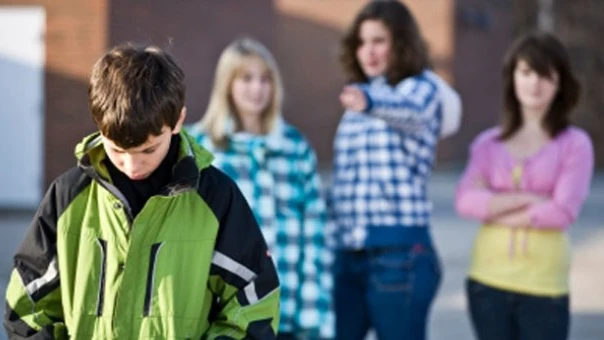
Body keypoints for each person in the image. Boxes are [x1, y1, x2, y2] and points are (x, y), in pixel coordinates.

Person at [4, 44, 280, 339]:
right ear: (99, 126)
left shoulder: (216, 198)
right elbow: (27, 307)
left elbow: (254, 305)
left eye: (149, 149)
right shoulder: (67, 196)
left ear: (178, 121)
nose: (133, 166)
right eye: (118, 150)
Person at [329, 1, 462, 339]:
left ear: (400, 43)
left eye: (379, 41)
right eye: (362, 42)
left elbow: (408, 110)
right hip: (348, 253)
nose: (368, 51)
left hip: (399, 254)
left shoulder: (421, 89)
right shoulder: (358, 101)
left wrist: (371, 103)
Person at [187, 38, 333, 340]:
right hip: (227, 315)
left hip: (290, 310)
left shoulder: (295, 147)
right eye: (247, 78)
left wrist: (313, 316)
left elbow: (315, 235)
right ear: (227, 83)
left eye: (266, 79)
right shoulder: (199, 148)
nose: (258, 88)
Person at [455, 31, 594, 340]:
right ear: (512, 77)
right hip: (487, 281)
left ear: (560, 82)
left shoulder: (575, 144)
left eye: (545, 75)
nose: (534, 83)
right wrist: (531, 199)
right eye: (526, 72)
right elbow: (465, 200)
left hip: (543, 284)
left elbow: (561, 212)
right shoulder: (488, 144)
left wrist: (494, 205)